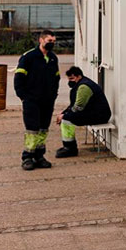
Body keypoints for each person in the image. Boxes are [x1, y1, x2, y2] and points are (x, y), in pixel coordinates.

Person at [13, 29, 60, 170]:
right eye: (49, 41)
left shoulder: (53, 58)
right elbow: (19, 78)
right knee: (32, 129)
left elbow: (56, 78)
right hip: (31, 100)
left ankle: (39, 156)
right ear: (41, 40)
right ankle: (27, 157)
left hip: (47, 101)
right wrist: (23, 96)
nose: (51, 43)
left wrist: (53, 94)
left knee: (43, 128)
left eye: (53, 41)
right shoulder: (29, 57)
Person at [54, 67, 111, 158]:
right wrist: (63, 113)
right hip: (96, 113)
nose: (70, 81)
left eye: (72, 79)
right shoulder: (82, 84)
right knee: (66, 117)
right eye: (69, 79)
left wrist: (65, 115)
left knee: (66, 120)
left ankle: (70, 148)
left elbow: (78, 107)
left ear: (79, 76)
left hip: (99, 116)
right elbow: (74, 105)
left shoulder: (84, 87)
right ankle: (68, 146)